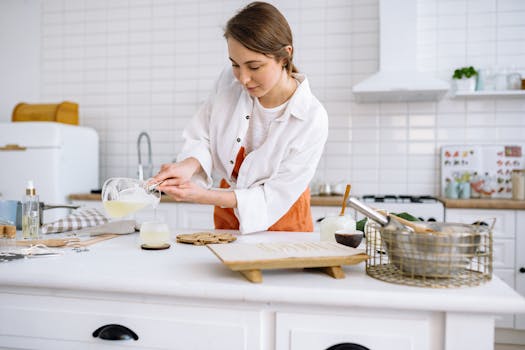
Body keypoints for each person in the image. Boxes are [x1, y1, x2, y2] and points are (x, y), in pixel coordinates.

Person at [150, 1, 328, 234]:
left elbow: (274, 196)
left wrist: (205, 196)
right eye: (235, 64)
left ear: (285, 55)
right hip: (226, 209)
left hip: (284, 217)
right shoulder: (228, 81)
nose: (243, 78)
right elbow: (204, 135)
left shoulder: (312, 118)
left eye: (254, 67)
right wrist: (188, 166)